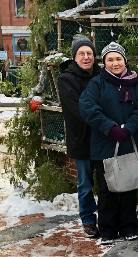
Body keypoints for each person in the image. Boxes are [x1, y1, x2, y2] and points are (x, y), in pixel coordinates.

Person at [79, 42, 138, 244]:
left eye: (118, 58)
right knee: (106, 189)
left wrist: (129, 128)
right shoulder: (97, 83)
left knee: (128, 188)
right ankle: (107, 230)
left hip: (129, 142)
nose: (115, 63)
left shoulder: (136, 82)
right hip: (105, 145)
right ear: (104, 62)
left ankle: (128, 227)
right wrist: (110, 127)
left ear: (124, 60)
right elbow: (87, 107)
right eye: (110, 59)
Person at [57, 35, 101, 238]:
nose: (86, 57)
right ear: (75, 57)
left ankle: (108, 217)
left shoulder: (102, 75)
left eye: (89, 53)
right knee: (85, 184)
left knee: (107, 181)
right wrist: (105, 121)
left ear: (94, 56)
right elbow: (79, 109)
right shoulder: (66, 79)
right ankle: (88, 220)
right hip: (81, 139)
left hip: (103, 139)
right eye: (81, 53)